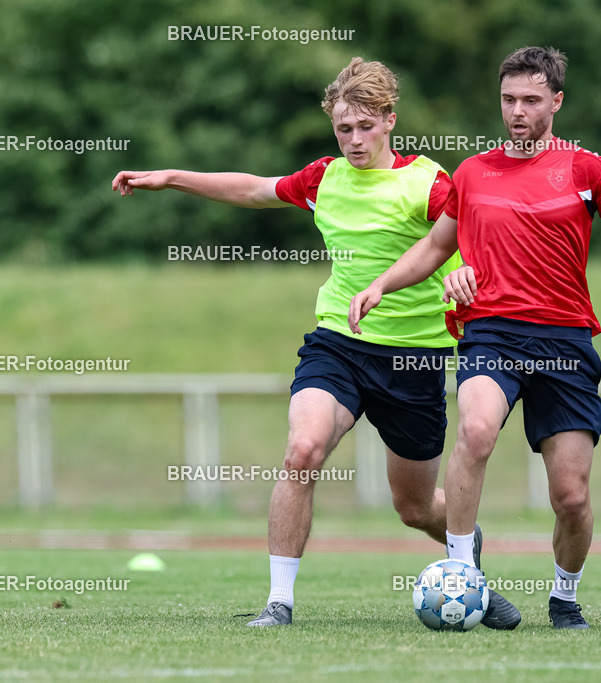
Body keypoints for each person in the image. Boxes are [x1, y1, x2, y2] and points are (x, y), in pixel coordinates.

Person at [112, 57, 519, 629]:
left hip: (415, 357)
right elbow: (256, 190)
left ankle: (462, 548)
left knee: (412, 506)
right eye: (343, 129)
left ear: (390, 121)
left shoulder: (428, 183)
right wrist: (171, 178)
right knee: (302, 451)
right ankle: (279, 602)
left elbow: (475, 236)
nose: (354, 140)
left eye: (365, 127)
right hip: (339, 345)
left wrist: (466, 272)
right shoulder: (324, 178)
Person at [349, 46, 601, 629]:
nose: (517, 111)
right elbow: (436, 247)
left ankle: (565, 596)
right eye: (507, 99)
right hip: (489, 331)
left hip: (566, 343)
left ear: (556, 102)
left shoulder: (585, 169)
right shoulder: (472, 173)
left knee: (570, 496)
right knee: (474, 430)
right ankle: (459, 574)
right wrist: (381, 286)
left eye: (530, 100)